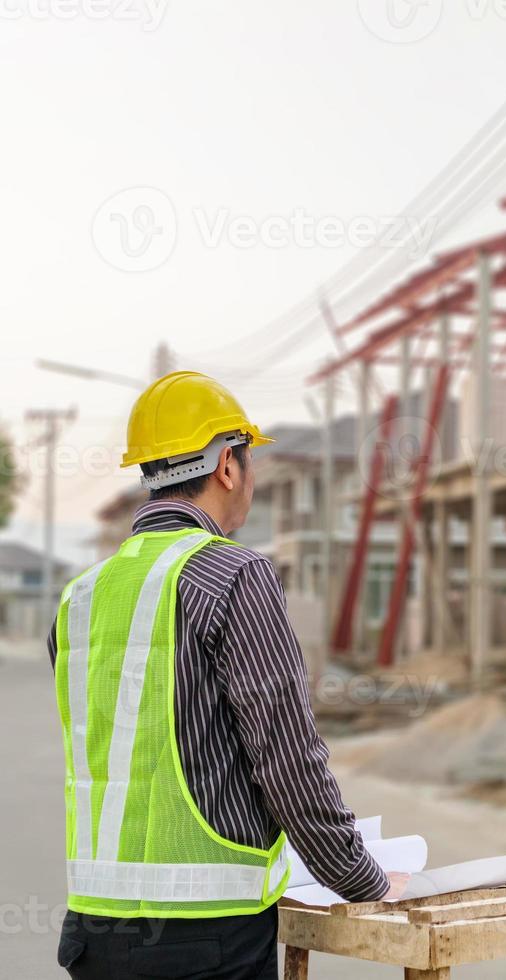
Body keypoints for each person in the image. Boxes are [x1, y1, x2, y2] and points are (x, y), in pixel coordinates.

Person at [47, 371, 405, 979]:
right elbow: (287, 759)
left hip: (93, 934)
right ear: (226, 468)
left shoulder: (78, 599)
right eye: (249, 461)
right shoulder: (234, 575)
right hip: (204, 940)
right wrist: (363, 880)